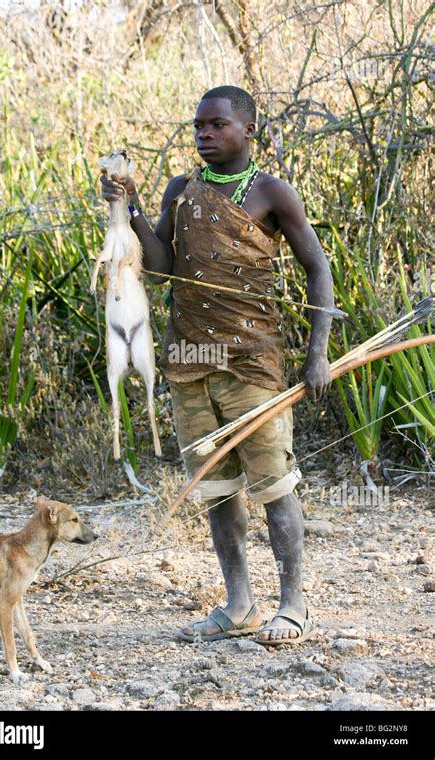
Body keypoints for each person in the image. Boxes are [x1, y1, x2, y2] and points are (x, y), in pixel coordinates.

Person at [101, 85, 334, 646]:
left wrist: (318, 352)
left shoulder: (273, 193)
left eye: (217, 125)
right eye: (199, 126)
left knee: (274, 486)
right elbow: (160, 267)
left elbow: (319, 270)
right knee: (218, 489)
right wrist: (129, 206)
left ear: (248, 130)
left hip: (253, 363)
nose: (204, 134)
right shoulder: (182, 190)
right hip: (188, 364)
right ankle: (239, 605)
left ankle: (293, 605)